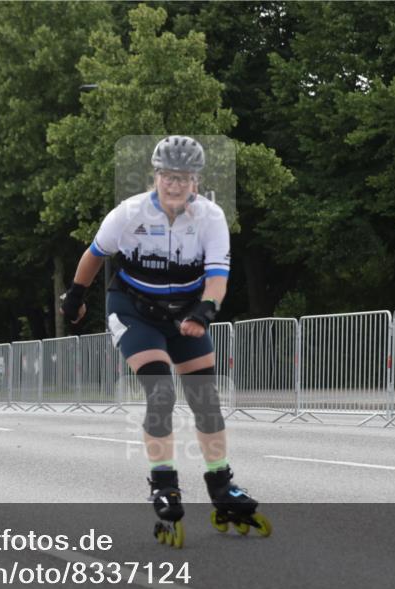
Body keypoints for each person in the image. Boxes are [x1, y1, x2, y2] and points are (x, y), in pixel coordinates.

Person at [60, 136, 270, 547]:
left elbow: (217, 277)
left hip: (186, 313)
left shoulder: (210, 217)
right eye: (168, 177)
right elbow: (95, 253)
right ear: (155, 176)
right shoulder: (130, 213)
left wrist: (205, 311)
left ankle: (221, 486)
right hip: (134, 309)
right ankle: (163, 484)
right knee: (160, 393)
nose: (175, 185)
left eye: (184, 178)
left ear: (196, 180)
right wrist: (75, 295)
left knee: (204, 400)